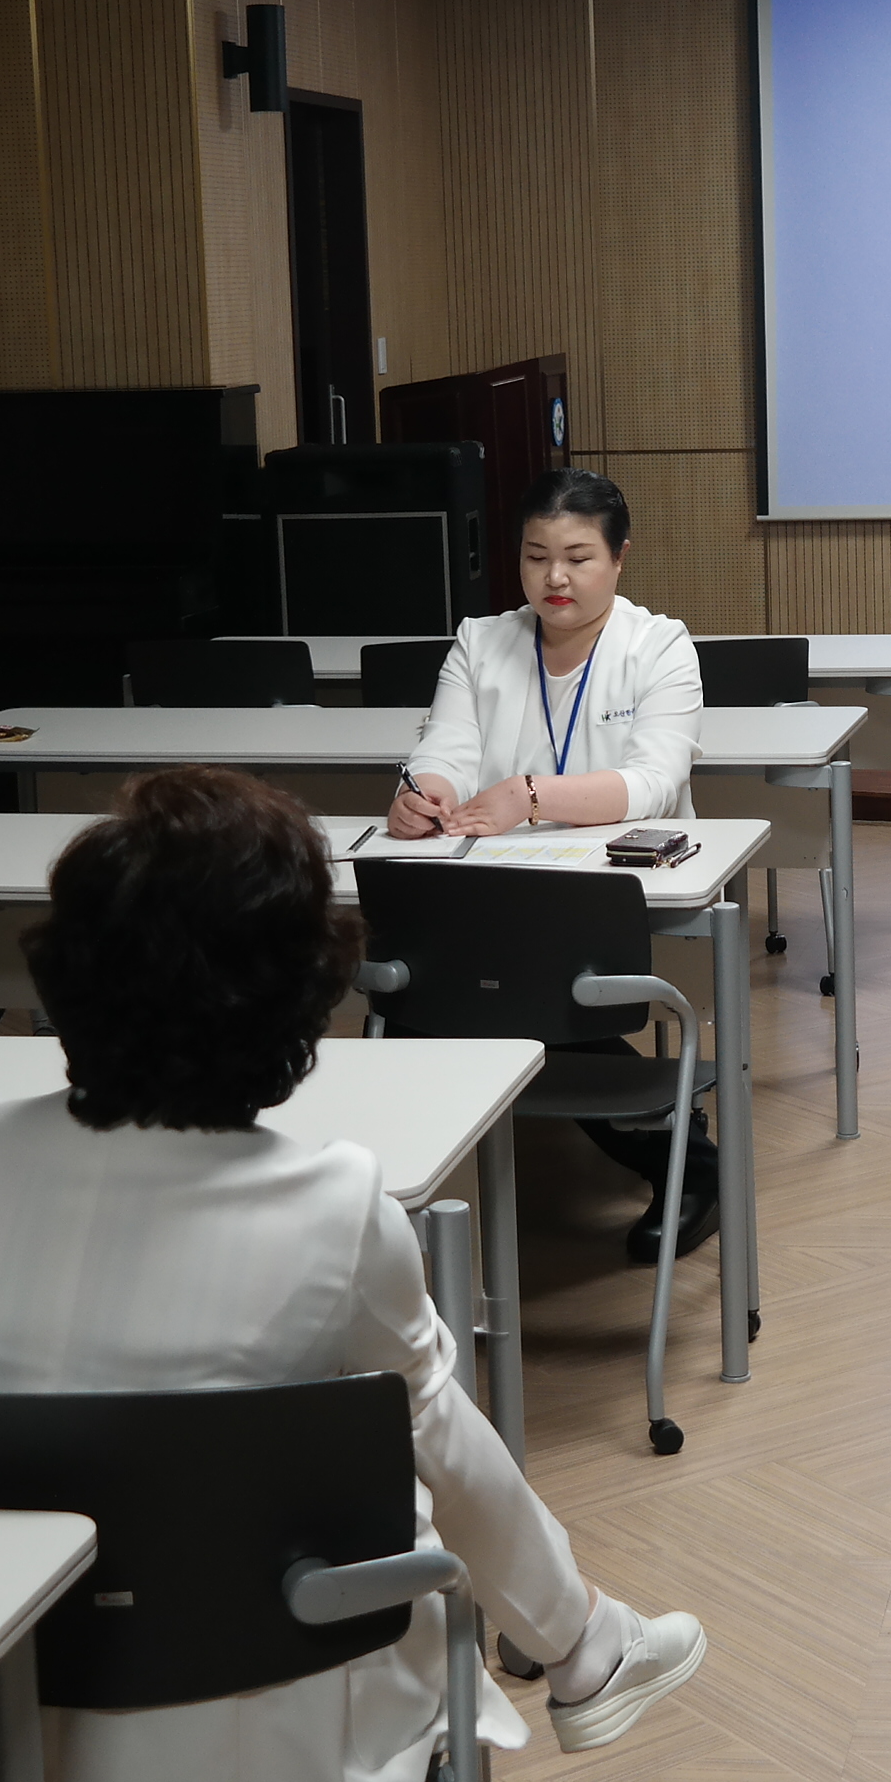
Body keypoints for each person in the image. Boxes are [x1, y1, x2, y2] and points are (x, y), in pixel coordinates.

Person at [0, 766, 708, 1782]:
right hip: (272, 1691)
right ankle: (536, 1688)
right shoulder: (334, 1203)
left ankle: (560, 1661)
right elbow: (449, 1453)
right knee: (388, 1470)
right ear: (297, 994)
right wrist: (559, 1619)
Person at [385, 467, 714, 1259]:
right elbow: (445, 748)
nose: (554, 578)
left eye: (578, 557)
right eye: (536, 557)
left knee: (512, 988)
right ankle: (412, 1193)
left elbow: (653, 781)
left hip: (615, 892)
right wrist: (422, 794)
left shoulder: (658, 645)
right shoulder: (481, 641)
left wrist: (531, 795)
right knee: (416, 989)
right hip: (493, 886)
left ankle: (687, 1162)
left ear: (619, 558)